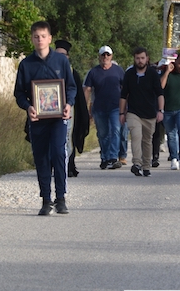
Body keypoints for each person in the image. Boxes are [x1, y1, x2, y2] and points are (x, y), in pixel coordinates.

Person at [14, 21, 77, 216]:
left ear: (49, 38)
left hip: (58, 118)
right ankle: (46, 200)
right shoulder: (26, 64)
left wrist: (69, 104)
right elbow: (19, 93)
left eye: (43, 36)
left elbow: (71, 87)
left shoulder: (61, 61)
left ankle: (61, 198)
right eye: (36, 37)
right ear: (32, 39)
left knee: (58, 153)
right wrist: (28, 107)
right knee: (41, 157)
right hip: (37, 120)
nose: (39, 40)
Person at [119, 47, 164, 177]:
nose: (140, 61)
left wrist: (160, 111)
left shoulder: (153, 74)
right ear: (134, 59)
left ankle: (146, 166)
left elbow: (160, 93)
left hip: (150, 113)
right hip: (133, 112)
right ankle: (137, 163)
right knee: (136, 136)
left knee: (147, 141)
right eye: (137, 58)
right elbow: (123, 95)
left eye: (142, 58)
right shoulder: (129, 74)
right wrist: (121, 113)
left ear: (147, 59)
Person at [83, 45, 124, 170]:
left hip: (115, 107)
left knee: (115, 130)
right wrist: (84, 107)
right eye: (103, 55)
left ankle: (113, 157)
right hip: (99, 108)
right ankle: (105, 157)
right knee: (103, 134)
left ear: (111, 56)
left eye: (108, 54)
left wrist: (126, 106)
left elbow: (125, 88)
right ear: (99, 57)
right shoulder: (93, 72)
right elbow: (87, 89)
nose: (105, 57)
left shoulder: (118, 71)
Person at [54, 39, 89, 178]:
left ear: (67, 56)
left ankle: (68, 166)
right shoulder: (48, 69)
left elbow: (79, 95)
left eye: (63, 55)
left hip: (69, 109)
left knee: (68, 137)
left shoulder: (73, 73)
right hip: (51, 109)